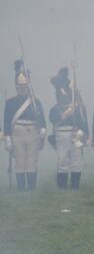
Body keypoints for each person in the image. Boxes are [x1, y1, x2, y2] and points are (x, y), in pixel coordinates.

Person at [4, 59, 46, 191]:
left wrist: (43, 131)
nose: (22, 90)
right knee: (20, 160)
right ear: (16, 87)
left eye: (24, 87)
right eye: (20, 87)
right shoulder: (10, 103)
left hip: (33, 133)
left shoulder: (35, 102)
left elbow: (42, 119)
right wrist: (8, 139)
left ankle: (31, 187)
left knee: (32, 160)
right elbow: (6, 122)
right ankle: (22, 187)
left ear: (28, 87)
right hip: (17, 134)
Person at [48, 67, 88, 190]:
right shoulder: (56, 109)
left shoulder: (76, 108)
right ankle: (62, 186)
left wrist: (81, 133)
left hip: (74, 135)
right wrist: (64, 114)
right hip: (61, 135)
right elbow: (53, 119)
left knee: (76, 162)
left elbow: (82, 121)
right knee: (62, 162)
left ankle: (75, 186)